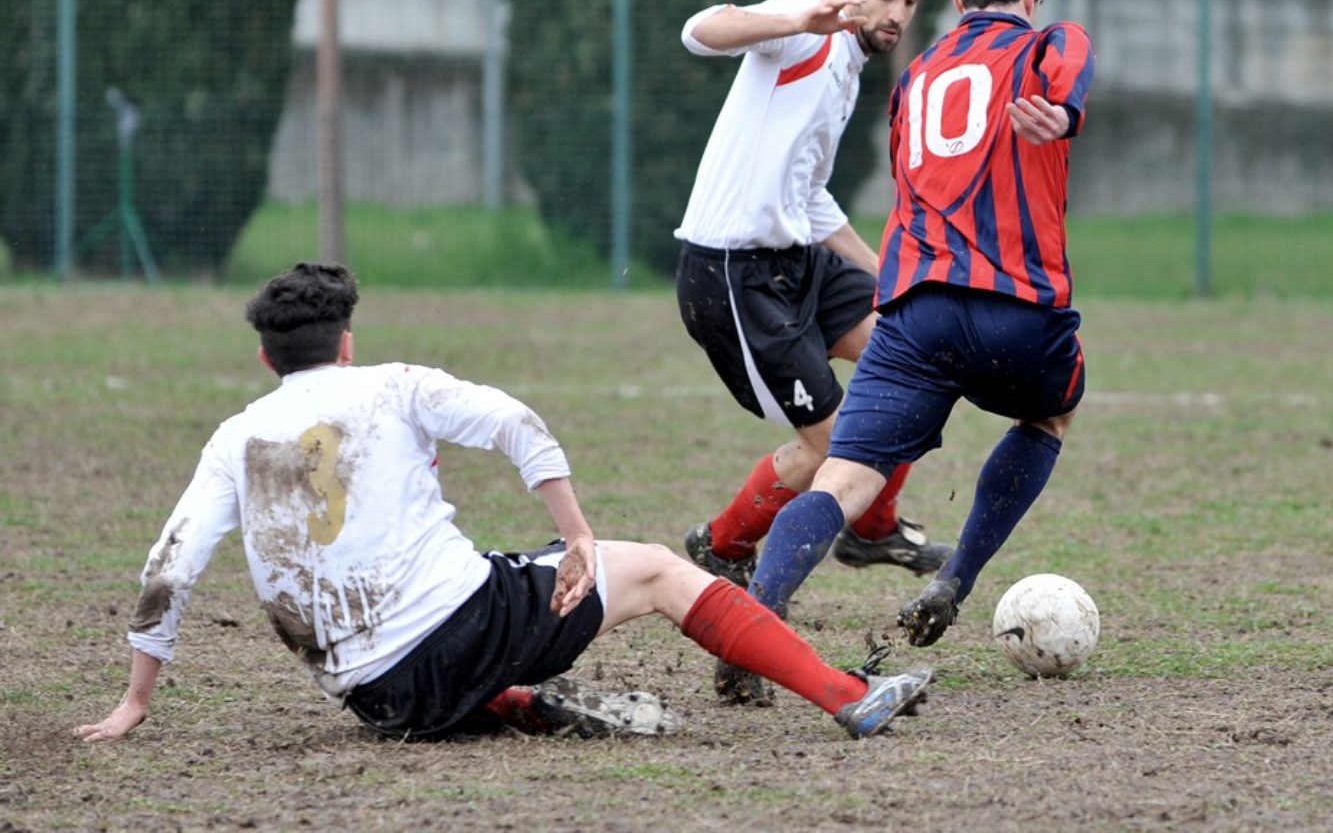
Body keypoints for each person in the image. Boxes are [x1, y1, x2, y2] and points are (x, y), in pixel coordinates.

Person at [72, 263, 932, 745]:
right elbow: (520, 425)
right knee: (665, 573)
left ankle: (525, 704)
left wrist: (135, 703)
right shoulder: (395, 384)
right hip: (462, 631)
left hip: (370, 697)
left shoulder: (234, 436)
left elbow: (168, 568)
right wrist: (580, 536)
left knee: (480, 593)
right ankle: (845, 695)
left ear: (267, 361)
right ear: (346, 343)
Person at [733, 0, 1096, 652]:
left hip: (913, 314)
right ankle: (955, 580)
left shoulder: (916, 77)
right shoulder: (1051, 41)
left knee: (844, 478)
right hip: (1018, 310)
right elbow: (1068, 79)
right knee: (1049, 418)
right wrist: (1058, 118)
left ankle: (757, 622)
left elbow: (913, 182)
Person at [674, 0, 951, 693]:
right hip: (734, 270)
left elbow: (809, 195)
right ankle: (741, 595)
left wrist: (888, 268)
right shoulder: (805, 31)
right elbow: (700, 30)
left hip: (798, 261)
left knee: (916, 351)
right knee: (836, 447)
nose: (896, 13)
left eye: (910, 2)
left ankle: (867, 530)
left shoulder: (850, 69)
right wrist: (799, 20)